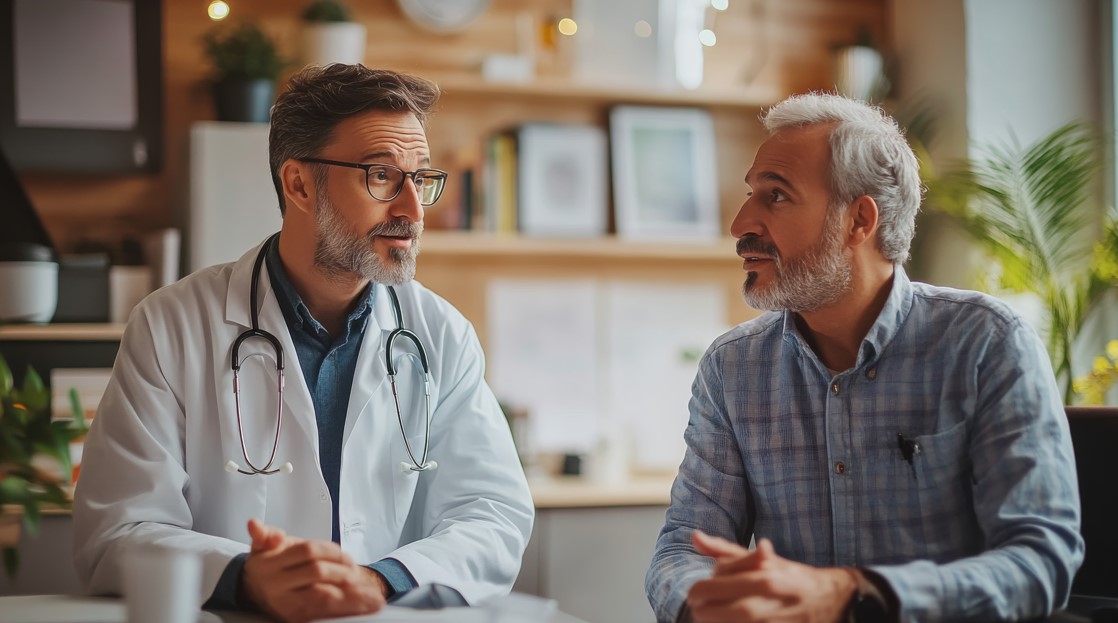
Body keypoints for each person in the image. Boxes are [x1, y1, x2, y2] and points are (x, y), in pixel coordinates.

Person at [73, 64, 534, 623]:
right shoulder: (171, 326)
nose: (413, 211)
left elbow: (492, 514)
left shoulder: (442, 334)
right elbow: (118, 529)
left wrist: (378, 579)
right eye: (382, 176)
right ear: (298, 184)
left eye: (421, 179)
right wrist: (246, 576)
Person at [646, 92, 1083, 623]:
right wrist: (707, 605)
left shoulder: (986, 343)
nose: (741, 224)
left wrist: (853, 594)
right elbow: (682, 550)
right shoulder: (732, 368)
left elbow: (1041, 562)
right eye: (750, 195)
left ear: (859, 220)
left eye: (776, 196)